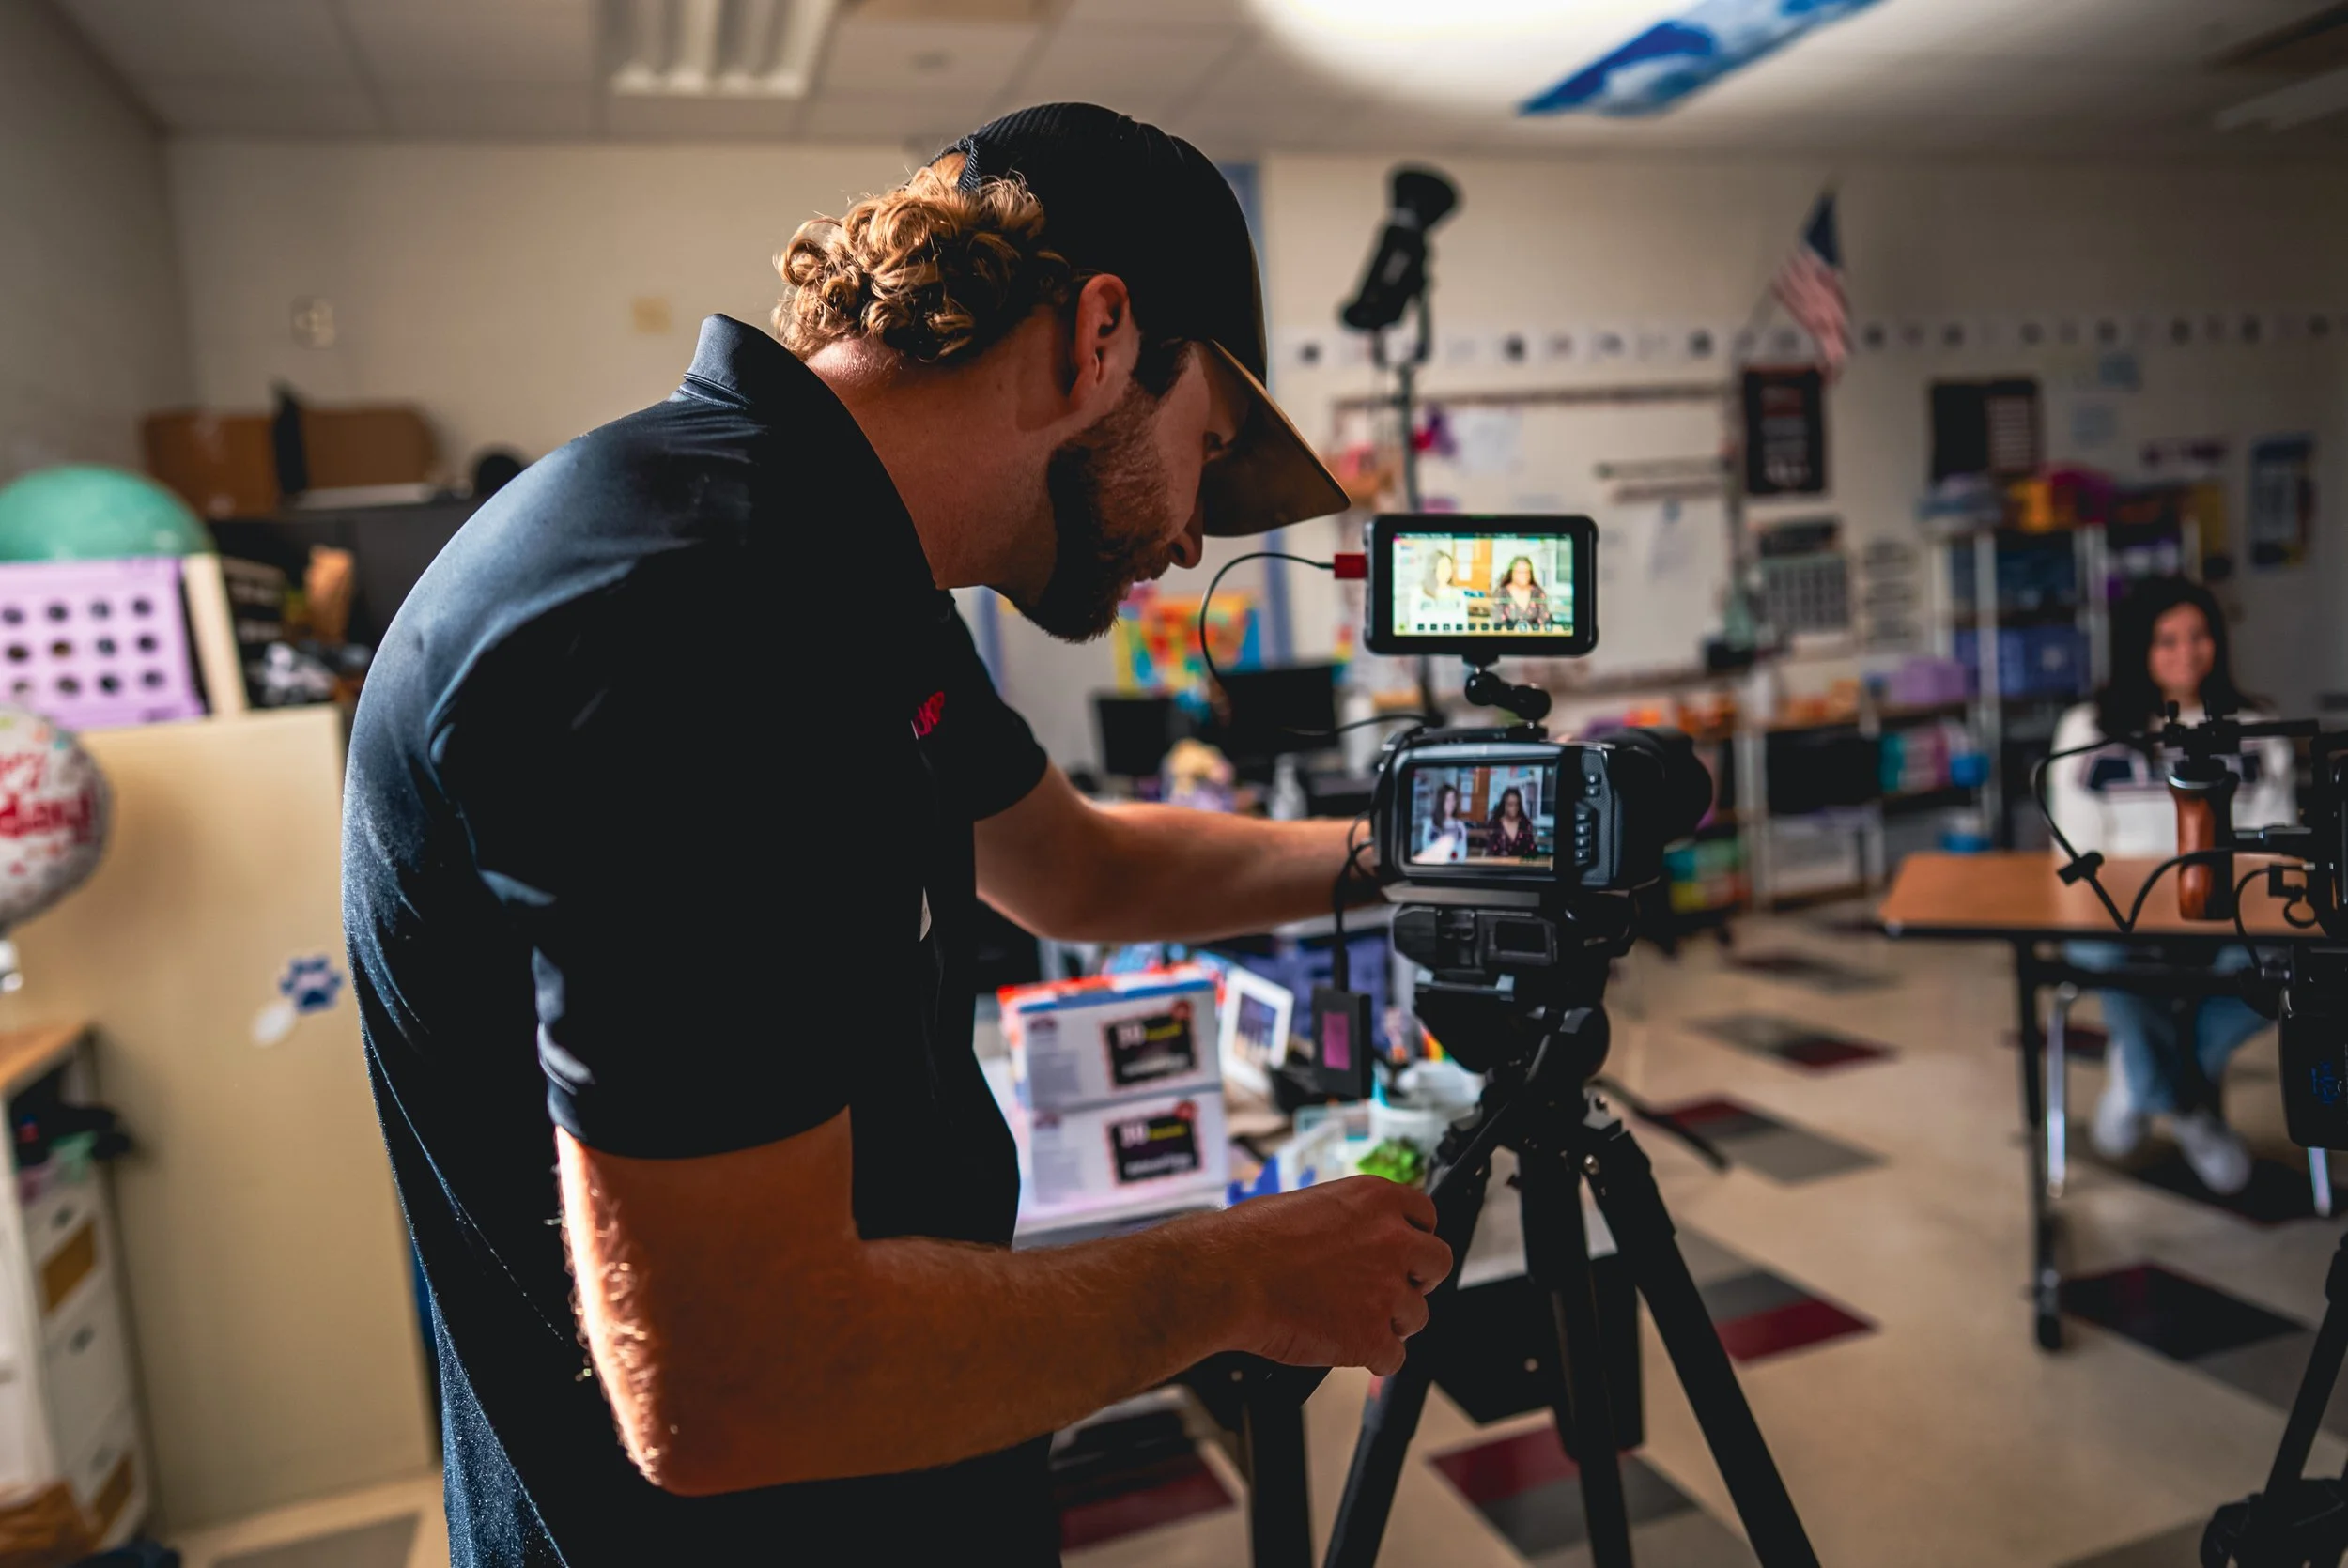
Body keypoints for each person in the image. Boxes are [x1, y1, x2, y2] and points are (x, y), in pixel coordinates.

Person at [343, 105, 1451, 1566]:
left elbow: (1075, 866)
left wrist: (1409, 853)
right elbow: (731, 1384)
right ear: (1100, 339)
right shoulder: (691, 613)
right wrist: (1240, 1273)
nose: (1192, 533)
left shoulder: (830, 558)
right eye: (1210, 445)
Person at [2047, 577, 2293, 1195]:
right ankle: (2191, 1108)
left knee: (2284, 967)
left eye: (2199, 637)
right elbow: (2076, 850)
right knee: (2101, 953)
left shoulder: (2255, 727)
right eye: (2167, 641)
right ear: (2139, 649)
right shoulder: (2090, 728)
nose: (2186, 653)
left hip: (2227, 911)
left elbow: (2276, 843)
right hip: (2124, 917)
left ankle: (2142, 1079)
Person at [1494, 554, 1551, 630]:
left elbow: (1544, 621)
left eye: (1527, 572)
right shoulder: (1501, 593)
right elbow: (1498, 622)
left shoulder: (1538, 593)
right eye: (1520, 572)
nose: (1524, 575)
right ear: (1512, 573)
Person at [1414, 781, 1466, 863]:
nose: (1451, 803)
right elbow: (1426, 850)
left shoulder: (1460, 826)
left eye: (1453, 799)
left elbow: (1462, 855)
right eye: (1448, 800)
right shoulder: (1430, 824)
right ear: (1441, 801)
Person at [1485, 785, 1538, 858]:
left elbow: (1532, 852)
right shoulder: (1495, 824)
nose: (1514, 808)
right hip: (1498, 867)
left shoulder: (1525, 824)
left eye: (1516, 804)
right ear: (1504, 805)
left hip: (1521, 868)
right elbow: (1490, 851)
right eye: (1510, 804)